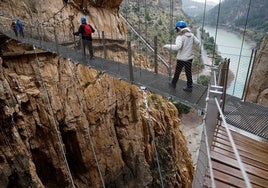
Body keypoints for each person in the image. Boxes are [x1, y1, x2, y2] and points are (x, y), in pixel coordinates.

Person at [163, 21, 200, 92]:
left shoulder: (180, 37)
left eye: (176, 29)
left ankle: (173, 84)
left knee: (177, 71)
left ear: (179, 28)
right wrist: (189, 45)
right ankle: (189, 87)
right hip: (189, 58)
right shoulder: (192, 35)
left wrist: (167, 46)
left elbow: (177, 47)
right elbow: (198, 43)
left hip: (182, 58)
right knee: (188, 72)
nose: (176, 31)